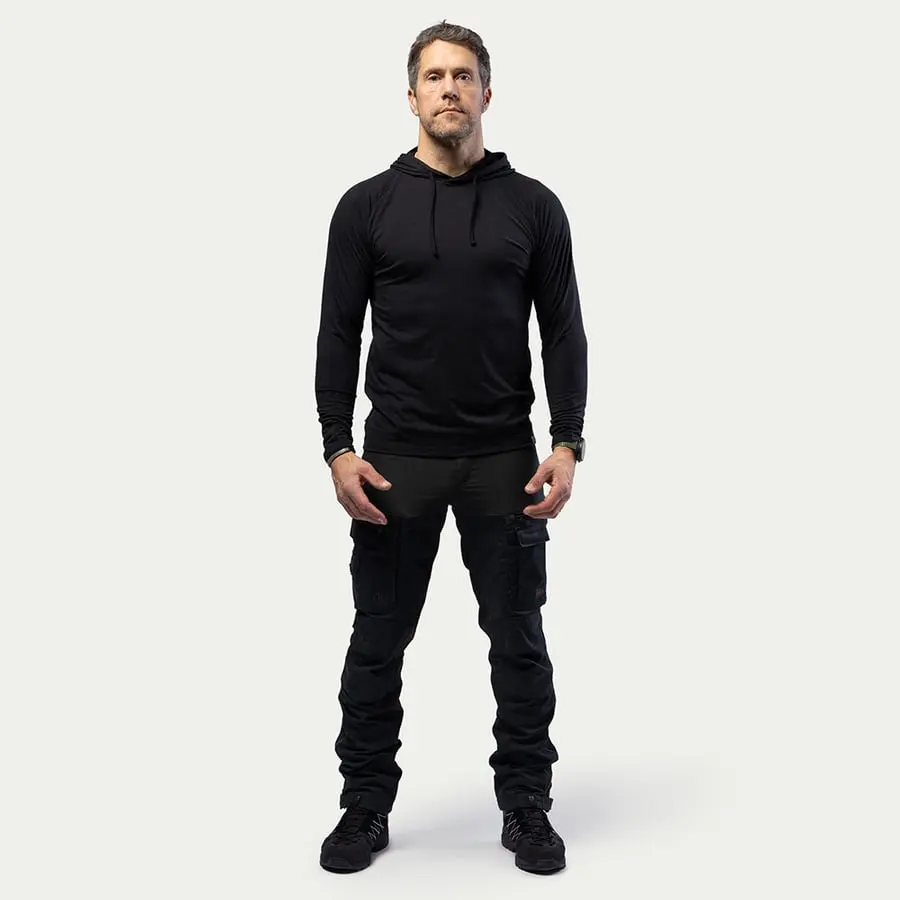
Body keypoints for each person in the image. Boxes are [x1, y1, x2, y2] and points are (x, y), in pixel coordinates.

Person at [313, 20, 588, 875]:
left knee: (519, 640)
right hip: (396, 459)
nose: (449, 89)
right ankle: (364, 806)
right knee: (377, 639)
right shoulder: (366, 207)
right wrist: (336, 448)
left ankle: (527, 807)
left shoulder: (533, 207)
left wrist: (568, 440)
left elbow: (564, 332)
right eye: (434, 76)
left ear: (486, 94)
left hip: (503, 458)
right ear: (411, 96)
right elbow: (337, 334)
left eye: (463, 76)